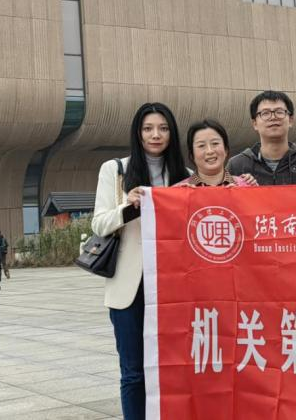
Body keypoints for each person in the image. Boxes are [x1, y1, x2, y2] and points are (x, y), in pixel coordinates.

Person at [91, 102, 190, 420]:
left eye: (163, 128)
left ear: (172, 133)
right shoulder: (115, 170)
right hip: (130, 287)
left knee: (173, 370)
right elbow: (99, 223)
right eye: (148, 128)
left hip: (174, 288)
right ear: (138, 133)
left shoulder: (186, 177)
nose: (155, 135)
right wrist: (128, 207)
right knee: (133, 373)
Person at [227, 90, 296, 185]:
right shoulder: (237, 165)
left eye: (279, 112)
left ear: (291, 120)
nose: (273, 117)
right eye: (265, 113)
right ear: (255, 123)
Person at [182, 119, 258, 187]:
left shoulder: (246, 186)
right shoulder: (179, 190)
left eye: (215, 143)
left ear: (226, 150)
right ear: (192, 155)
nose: (210, 151)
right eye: (201, 145)